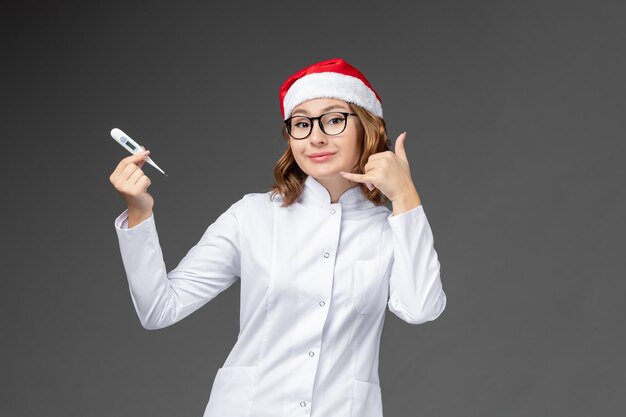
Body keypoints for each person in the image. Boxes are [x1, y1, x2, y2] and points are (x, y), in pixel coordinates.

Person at [109, 58, 446, 417]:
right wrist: (139, 213)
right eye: (301, 124)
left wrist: (406, 198)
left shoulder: (390, 227)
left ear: (367, 127)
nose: (316, 137)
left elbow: (421, 308)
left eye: (334, 120)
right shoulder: (252, 216)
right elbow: (159, 309)